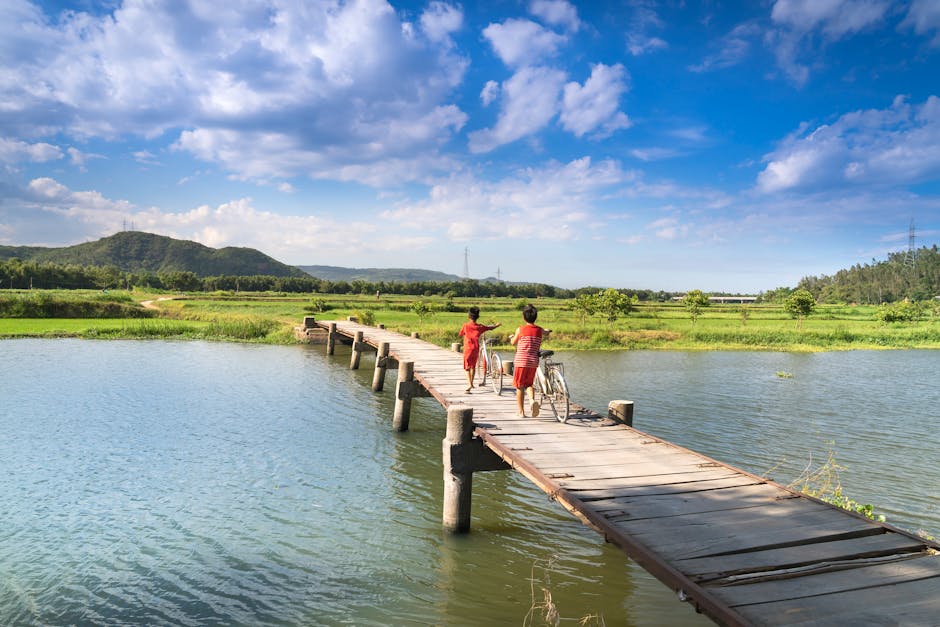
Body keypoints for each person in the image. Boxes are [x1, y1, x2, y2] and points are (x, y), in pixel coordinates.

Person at [509, 304, 549, 417]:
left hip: (521, 362)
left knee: (519, 386)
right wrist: (547, 331)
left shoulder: (520, 329)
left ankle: (521, 412)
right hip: (533, 362)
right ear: (535, 317)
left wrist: (512, 337)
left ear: (523, 317)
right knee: (529, 384)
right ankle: (531, 400)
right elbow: (546, 332)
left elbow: (513, 342)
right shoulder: (539, 330)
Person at [458, 306, 501, 393]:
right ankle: (472, 383)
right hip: (476, 348)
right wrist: (497, 325)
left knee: (466, 368)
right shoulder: (480, 326)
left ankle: (469, 384)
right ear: (478, 316)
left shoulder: (466, 326)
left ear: (469, 316)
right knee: (473, 366)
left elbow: (461, 334)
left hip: (467, 349)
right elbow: (490, 328)